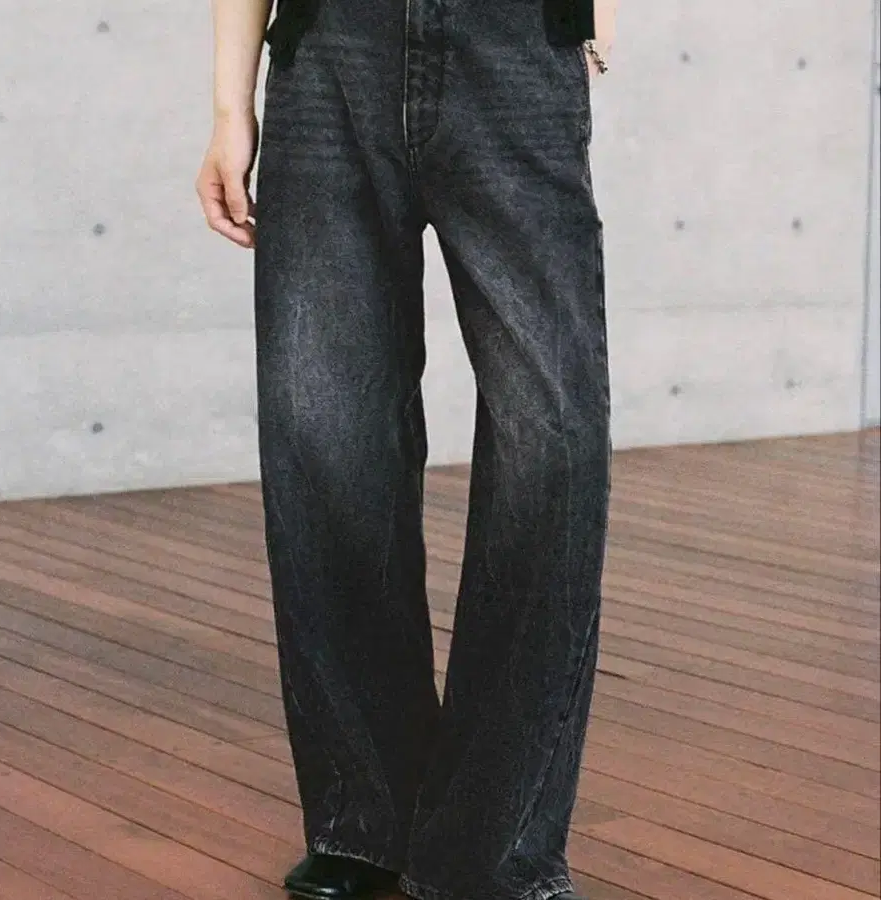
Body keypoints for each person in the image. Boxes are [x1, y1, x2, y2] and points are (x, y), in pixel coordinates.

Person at [196, 1, 617, 899]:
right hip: (329, 52)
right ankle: (365, 818)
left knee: (551, 437)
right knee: (325, 435)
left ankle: (495, 846)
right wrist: (232, 105)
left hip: (514, 46)